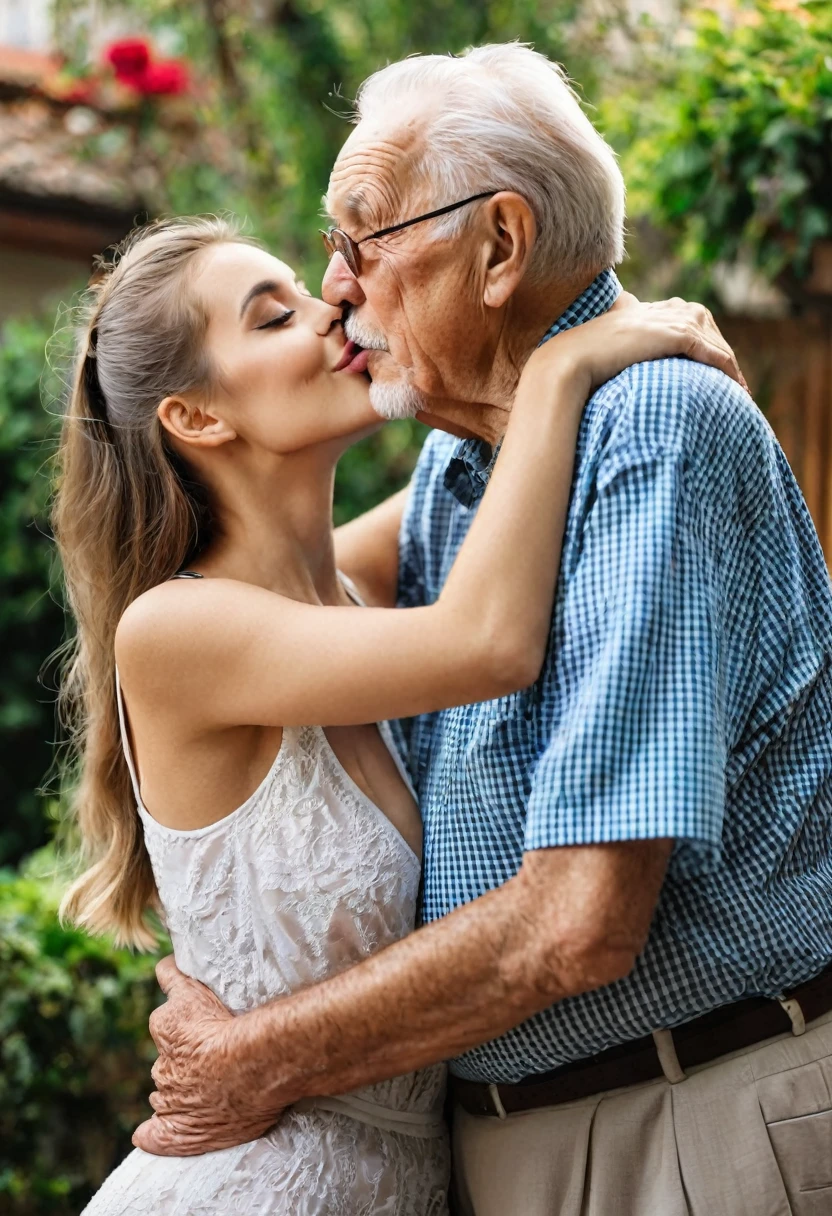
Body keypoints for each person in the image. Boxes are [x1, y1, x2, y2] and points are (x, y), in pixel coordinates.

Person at [136, 46, 832, 1216]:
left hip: (685, 1117)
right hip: (504, 1148)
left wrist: (254, 1057)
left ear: (499, 245)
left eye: (360, 239)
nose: (336, 288)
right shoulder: (467, 468)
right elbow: (272, 573)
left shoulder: (650, 433)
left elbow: (580, 917)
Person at [54, 216, 722, 1214]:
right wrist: (566, 365)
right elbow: (490, 640)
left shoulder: (349, 586)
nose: (334, 310)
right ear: (196, 418)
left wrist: (605, 344)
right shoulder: (177, 633)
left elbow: (504, 473)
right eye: (274, 316)